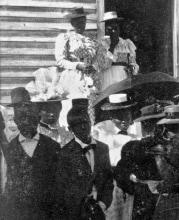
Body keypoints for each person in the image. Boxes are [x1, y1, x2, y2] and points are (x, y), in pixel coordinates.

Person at [1, 87, 60, 220]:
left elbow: (59, 183)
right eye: (21, 118)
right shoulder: (9, 150)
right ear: (15, 121)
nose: (26, 122)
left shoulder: (52, 147)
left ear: (38, 119)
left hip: (47, 213)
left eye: (31, 118)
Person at [53, 106, 113, 220]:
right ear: (70, 129)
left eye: (86, 122)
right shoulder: (65, 153)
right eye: (77, 124)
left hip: (99, 211)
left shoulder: (102, 148)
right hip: (75, 213)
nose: (83, 127)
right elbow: (61, 189)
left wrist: (103, 204)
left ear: (91, 123)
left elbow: (108, 180)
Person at [113, 103, 166, 220]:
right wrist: (138, 184)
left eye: (157, 124)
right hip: (142, 203)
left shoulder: (169, 147)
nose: (156, 129)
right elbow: (120, 175)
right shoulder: (132, 147)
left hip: (161, 202)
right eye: (151, 124)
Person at [55, 7, 97, 99]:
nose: (80, 24)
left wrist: (93, 66)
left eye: (83, 21)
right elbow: (60, 61)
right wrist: (77, 65)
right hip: (73, 76)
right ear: (72, 23)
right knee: (76, 104)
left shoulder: (90, 39)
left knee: (91, 104)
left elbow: (96, 57)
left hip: (90, 76)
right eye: (77, 22)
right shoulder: (66, 37)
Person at [99, 11, 139, 90]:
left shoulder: (126, 44)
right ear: (106, 30)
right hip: (108, 79)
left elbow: (133, 63)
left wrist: (132, 68)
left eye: (116, 28)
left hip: (123, 79)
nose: (113, 32)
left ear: (119, 29)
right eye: (110, 29)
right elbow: (103, 65)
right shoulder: (102, 44)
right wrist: (112, 46)